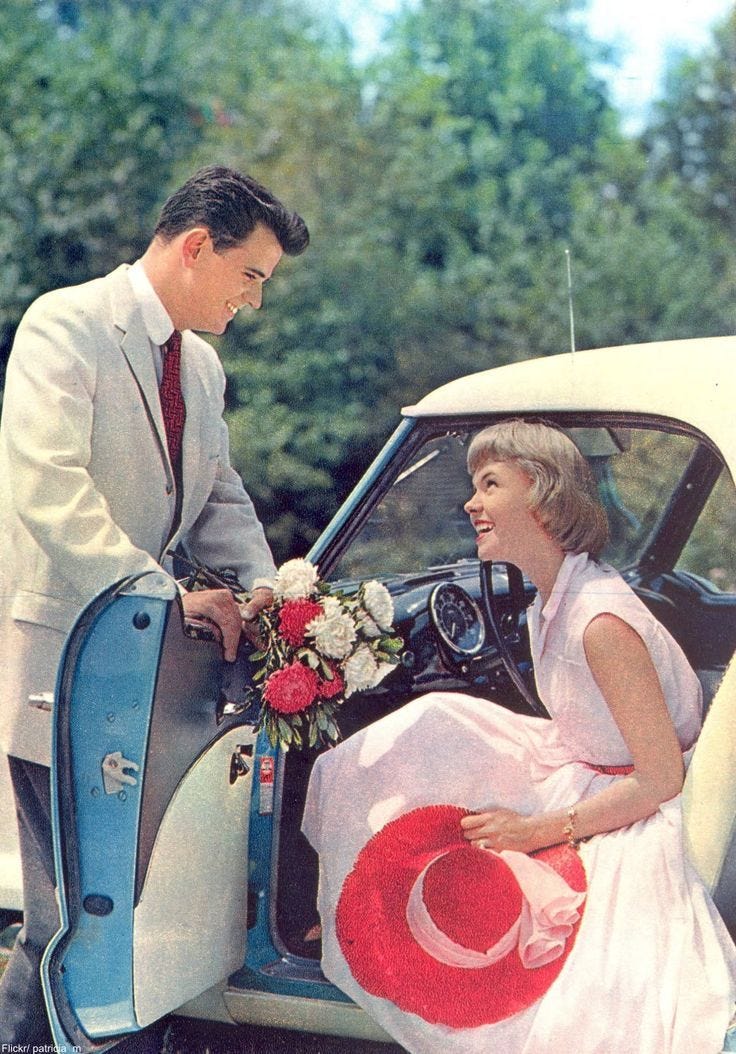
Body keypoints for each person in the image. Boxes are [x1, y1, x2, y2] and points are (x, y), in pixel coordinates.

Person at [302, 419, 736, 1053]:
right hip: (586, 768)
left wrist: (536, 831)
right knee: (437, 721)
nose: (471, 503)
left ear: (541, 494)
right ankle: (355, 909)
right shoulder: (548, 600)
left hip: (642, 810)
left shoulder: (600, 621)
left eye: (490, 484)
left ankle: (373, 921)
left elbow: (660, 778)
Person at [0, 165, 309, 1045]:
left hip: (155, 678)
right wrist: (168, 600)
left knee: (139, 923)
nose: (255, 300)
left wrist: (264, 591)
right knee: (66, 921)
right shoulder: (65, 324)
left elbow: (219, 498)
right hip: (64, 663)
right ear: (196, 247)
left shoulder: (201, 367)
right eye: (250, 275)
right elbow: (49, 490)